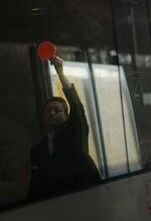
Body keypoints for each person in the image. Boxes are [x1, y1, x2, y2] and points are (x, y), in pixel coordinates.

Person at [29, 56, 100, 199]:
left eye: (57, 110)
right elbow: (35, 183)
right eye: (48, 111)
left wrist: (60, 73)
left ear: (67, 115)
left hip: (87, 196)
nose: (52, 113)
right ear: (43, 118)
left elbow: (76, 106)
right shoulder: (37, 150)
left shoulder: (75, 132)